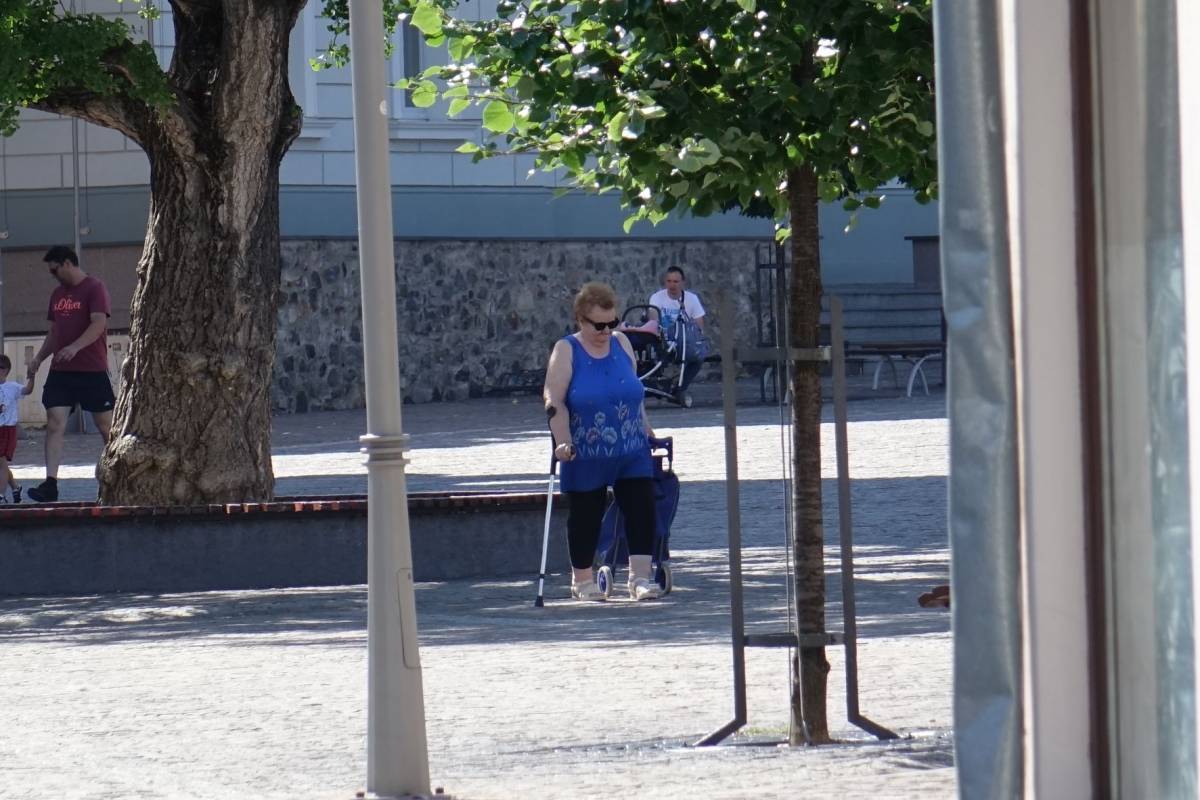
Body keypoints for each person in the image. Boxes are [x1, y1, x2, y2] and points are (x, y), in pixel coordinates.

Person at [544, 282, 662, 602]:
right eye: (599, 325)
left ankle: (640, 578)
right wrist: (562, 441)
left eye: (612, 323)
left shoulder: (621, 343)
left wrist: (646, 426)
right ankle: (582, 580)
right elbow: (554, 400)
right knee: (586, 513)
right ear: (581, 319)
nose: (606, 331)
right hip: (587, 449)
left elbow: (633, 392)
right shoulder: (567, 350)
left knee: (641, 507)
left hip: (630, 446)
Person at [24, 245, 115, 503]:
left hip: (92, 370)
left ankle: (117, 476)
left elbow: (99, 323)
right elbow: (54, 333)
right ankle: (50, 484)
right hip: (61, 372)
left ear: (67, 263)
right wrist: (39, 358)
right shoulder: (57, 294)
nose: (53, 276)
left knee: (106, 427)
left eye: (55, 270)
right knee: (55, 423)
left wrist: (75, 347)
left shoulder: (94, 288)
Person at [647, 265, 707, 397]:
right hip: (663, 340)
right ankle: (657, 385)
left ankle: (680, 388)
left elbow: (699, 326)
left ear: (682, 282)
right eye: (669, 281)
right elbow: (653, 320)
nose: (672, 285)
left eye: (675, 281)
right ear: (665, 282)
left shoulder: (691, 299)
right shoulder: (657, 298)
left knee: (698, 358)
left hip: (684, 341)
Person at [0, 354, 35, 503]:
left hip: (7, 430)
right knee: (1, 463)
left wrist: (32, 377)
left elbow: (27, 390)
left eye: (1, 368)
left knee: (1, 461)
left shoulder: (12, 387)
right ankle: (15, 487)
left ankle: (1, 494)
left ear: (6, 370)